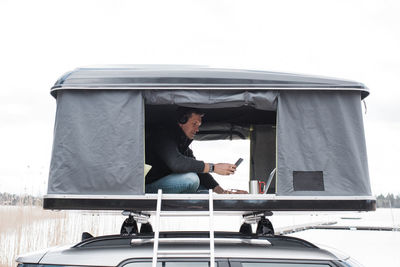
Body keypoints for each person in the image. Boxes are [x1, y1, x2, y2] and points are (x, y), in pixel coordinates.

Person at [145, 107, 247, 194]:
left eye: (199, 125)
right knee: (191, 179)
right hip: (147, 187)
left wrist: (222, 192)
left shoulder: (182, 145)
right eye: (194, 124)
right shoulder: (162, 136)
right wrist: (213, 167)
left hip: (165, 183)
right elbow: (177, 163)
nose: (197, 129)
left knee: (206, 194)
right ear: (182, 121)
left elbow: (198, 171)